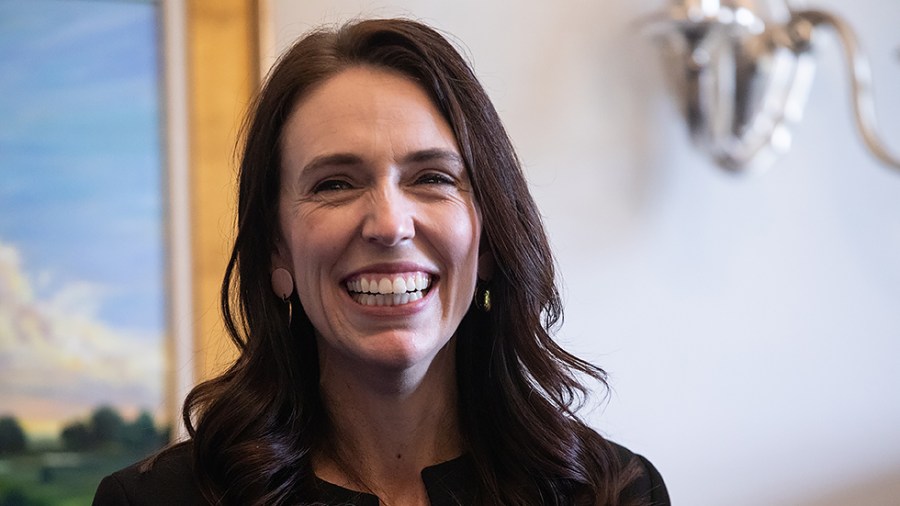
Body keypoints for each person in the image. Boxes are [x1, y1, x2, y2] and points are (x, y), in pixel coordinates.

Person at [93, 18, 669, 506]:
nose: (390, 225)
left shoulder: (612, 491)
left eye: (432, 178)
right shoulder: (153, 500)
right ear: (277, 250)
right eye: (336, 183)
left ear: (489, 241)